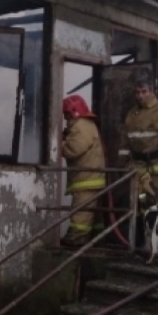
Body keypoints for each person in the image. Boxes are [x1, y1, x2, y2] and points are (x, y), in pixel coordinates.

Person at [117, 76, 158, 209]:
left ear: (152, 92)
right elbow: (125, 143)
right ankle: (139, 228)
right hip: (137, 167)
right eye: (137, 92)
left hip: (157, 168)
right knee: (138, 202)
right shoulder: (131, 114)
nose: (140, 96)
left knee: (152, 202)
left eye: (144, 91)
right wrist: (121, 164)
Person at [61, 95, 106, 247]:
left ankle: (75, 241)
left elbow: (74, 149)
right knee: (94, 217)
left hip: (86, 180)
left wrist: (59, 145)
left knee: (81, 214)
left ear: (74, 112)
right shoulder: (83, 125)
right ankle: (96, 241)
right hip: (90, 179)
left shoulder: (81, 125)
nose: (66, 118)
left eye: (67, 114)